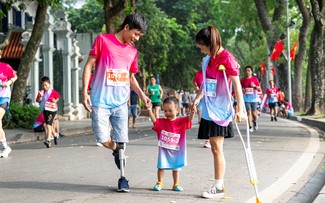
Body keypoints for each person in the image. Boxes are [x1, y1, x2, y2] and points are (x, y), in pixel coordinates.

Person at [81, 13, 151, 192]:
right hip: (100, 101)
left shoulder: (133, 51)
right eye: (135, 34)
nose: (136, 39)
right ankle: (115, 148)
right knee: (103, 139)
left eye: (139, 36)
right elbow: (89, 65)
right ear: (126, 27)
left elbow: (130, 77)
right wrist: (84, 92)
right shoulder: (103, 40)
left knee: (122, 142)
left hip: (121, 103)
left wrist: (143, 96)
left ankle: (123, 178)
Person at [192, 25, 245, 199]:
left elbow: (237, 85)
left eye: (202, 45)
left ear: (210, 43)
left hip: (220, 109)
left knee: (216, 148)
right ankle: (218, 185)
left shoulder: (227, 58)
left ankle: (218, 186)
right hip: (208, 107)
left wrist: (240, 109)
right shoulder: (207, 59)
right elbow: (206, 82)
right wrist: (198, 97)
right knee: (214, 148)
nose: (200, 49)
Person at [148, 96, 196, 192]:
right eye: (165, 111)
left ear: (177, 110)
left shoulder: (181, 121)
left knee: (176, 168)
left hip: (177, 151)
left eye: (170, 110)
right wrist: (149, 110)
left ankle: (176, 184)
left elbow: (189, 119)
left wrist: (193, 111)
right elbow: (154, 121)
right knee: (161, 166)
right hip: (164, 151)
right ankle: (159, 182)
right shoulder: (161, 122)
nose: (167, 113)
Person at [36, 76, 60, 148]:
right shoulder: (41, 92)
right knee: (48, 124)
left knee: (48, 125)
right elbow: (37, 101)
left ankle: (48, 140)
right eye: (43, 85)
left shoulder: (53, 92)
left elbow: (57, 97)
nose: (44, 86)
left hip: (52, 110)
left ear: (50, 84)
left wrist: (55, 101)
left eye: (46, 85)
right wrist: (40, 97)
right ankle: (55, 135)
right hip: (45, 110)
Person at [0, 62, 17, 158]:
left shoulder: (5, 67)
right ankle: (5, 147)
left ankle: (4, 147)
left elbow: (15, 76)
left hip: (4, 97)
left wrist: (8, 83)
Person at [240, 65, 261, 132]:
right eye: (246, 70)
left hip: (254, 99)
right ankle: (250, 126)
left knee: (254, 114)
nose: (247, 72)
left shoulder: (255, 79)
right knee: (248, 112)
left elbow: (259, 88)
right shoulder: (242, 80)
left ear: (251, 72)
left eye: (249, 70)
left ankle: (254, 122)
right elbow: (240, 88)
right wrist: (242, 90)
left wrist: (254, 86)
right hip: (246, 99)